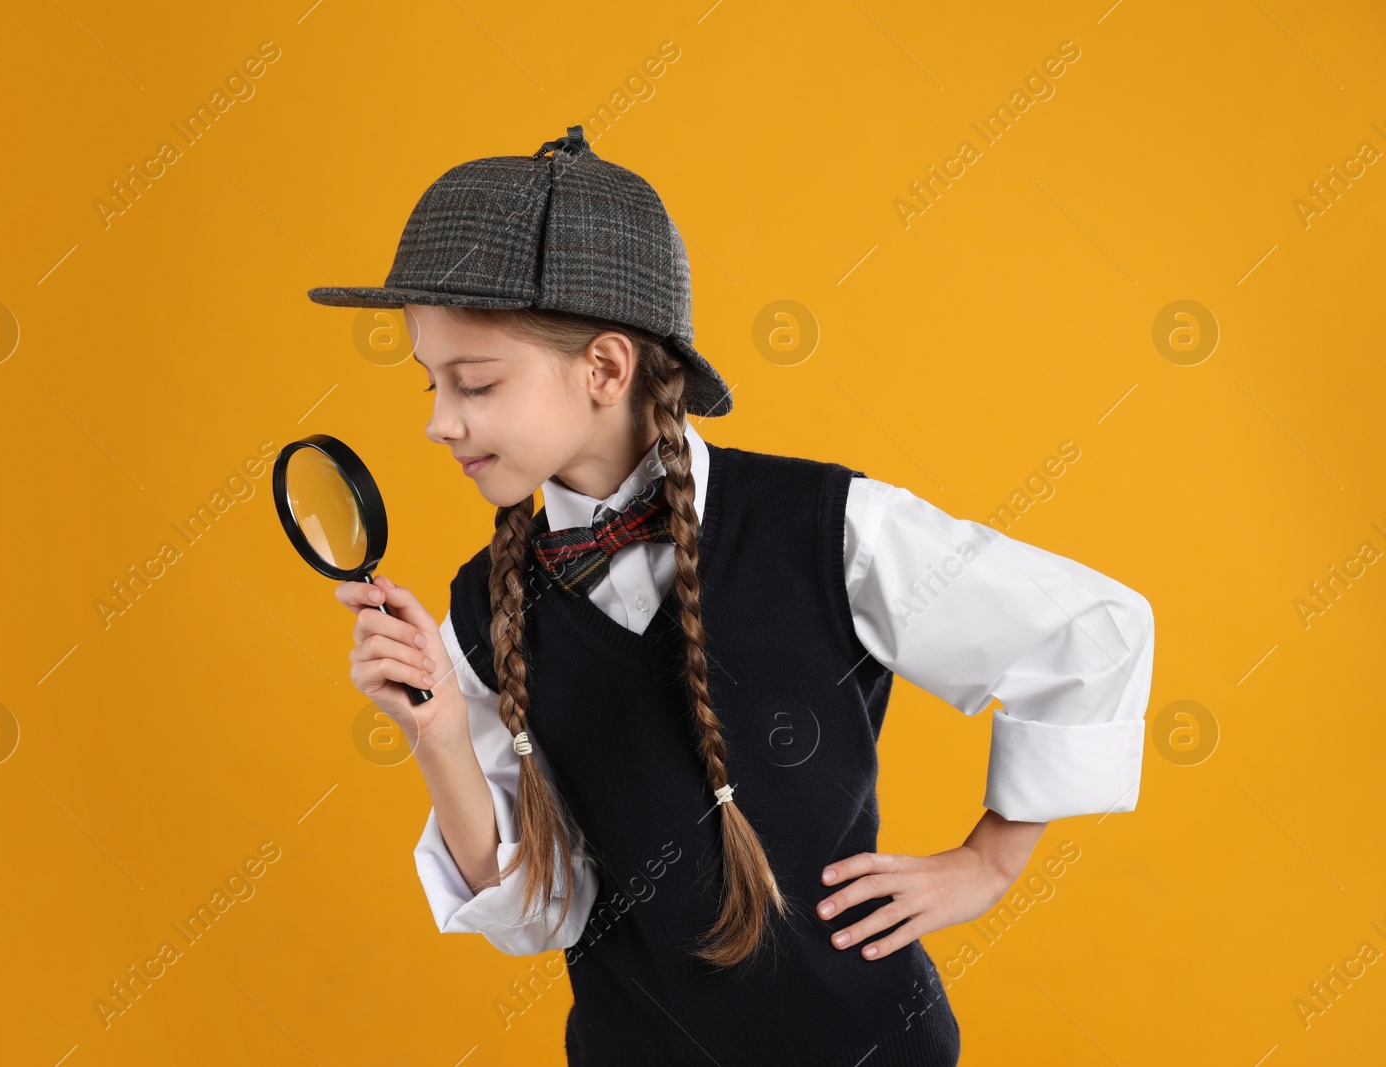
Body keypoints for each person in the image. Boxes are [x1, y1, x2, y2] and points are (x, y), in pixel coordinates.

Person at [313, 126, 1154, 1065]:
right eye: (431, 382)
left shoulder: (825, 527)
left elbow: (1093, 631)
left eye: (473, 383)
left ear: (604, 368)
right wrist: (434, 734)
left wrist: (990, 861)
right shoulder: (483, 611)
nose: (437, 421)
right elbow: (544, 912)